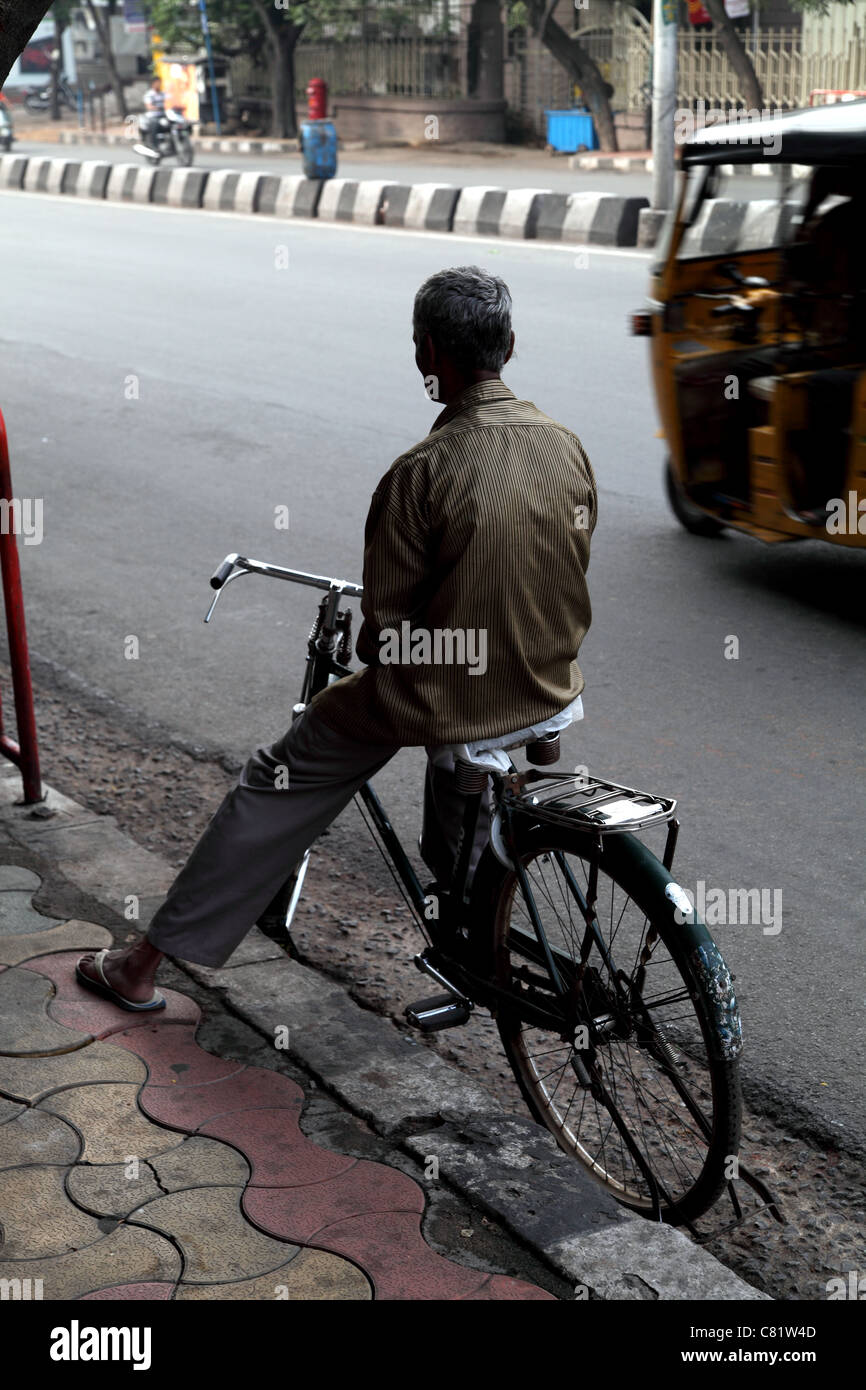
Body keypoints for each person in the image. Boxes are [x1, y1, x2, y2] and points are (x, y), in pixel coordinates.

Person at [76, 266, 598, 1010]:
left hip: (451, 686)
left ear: (426, 354)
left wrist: (381, 645)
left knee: (279, 779)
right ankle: (495, 867)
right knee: (481, 745)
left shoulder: (421, 471)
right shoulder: (565, 443)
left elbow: (385, 639)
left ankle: (140, 967)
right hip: (551, 680)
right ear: (510, 345)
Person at [139, 75, 166, 150]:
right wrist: (157, 108)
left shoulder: (163, 94)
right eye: (157, 82)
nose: (159, 84)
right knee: (154, 125)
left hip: (163, 116)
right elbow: (148, 106)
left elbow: (170, 102)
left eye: (160, 82)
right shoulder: (149, 94)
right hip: (153, 116)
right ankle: (154, 145)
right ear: (153, 84)